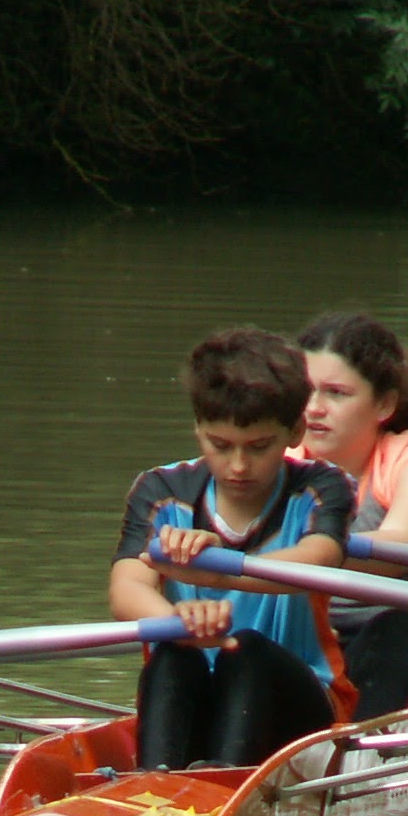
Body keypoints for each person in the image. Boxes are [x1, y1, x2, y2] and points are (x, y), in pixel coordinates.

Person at [110, 327, 358, 770]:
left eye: (258, 447)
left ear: (295, 431)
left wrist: (215, 570)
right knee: (173, 653)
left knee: (245, 650)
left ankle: (223, 786)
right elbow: (126, 587)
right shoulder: (160, 491)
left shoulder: (323, 487)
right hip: (199, 690)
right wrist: (181, 623)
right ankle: (155, 786)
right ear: (198, 429)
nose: (238, 466)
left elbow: (318, 560)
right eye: (220, 446)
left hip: (303, 710)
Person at [295, 311, 408, 719]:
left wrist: (305, 550)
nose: (314, 409)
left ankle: (360, 746)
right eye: (306, 391)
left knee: (397, 629)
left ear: (384, 403)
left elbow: (399, 547)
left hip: (393, 648)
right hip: (311, 644)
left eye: (336, 393)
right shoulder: (278, 461)